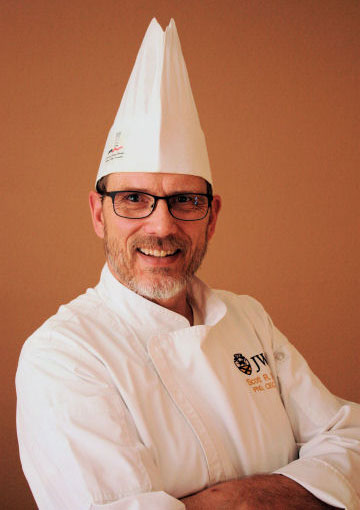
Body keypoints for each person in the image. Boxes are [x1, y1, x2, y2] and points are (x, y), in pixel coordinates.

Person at [16, 18, 360, 510]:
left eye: (184, 200)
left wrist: (238, 501)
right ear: (98, 214)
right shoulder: (63, 353)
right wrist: (301, 490)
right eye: (133, 198)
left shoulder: (249, 319)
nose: (161, 226)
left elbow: (351, 443)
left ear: (212, 215)